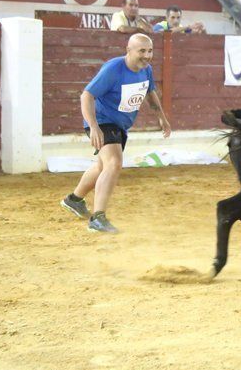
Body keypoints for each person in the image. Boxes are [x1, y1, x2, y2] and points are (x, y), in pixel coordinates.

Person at [60, 34, 171, 233]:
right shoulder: (113, 68)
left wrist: (161, 116)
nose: (147, 55)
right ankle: (98, 218)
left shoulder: (146, 70)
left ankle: (74, 200)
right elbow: (87, 95)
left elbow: (150, 91)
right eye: (142, 51)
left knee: (103, 166)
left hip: (120, 124)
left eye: (150, 50)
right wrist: (93, 126)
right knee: (114, 163)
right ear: (129, 50)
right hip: (102, 120)